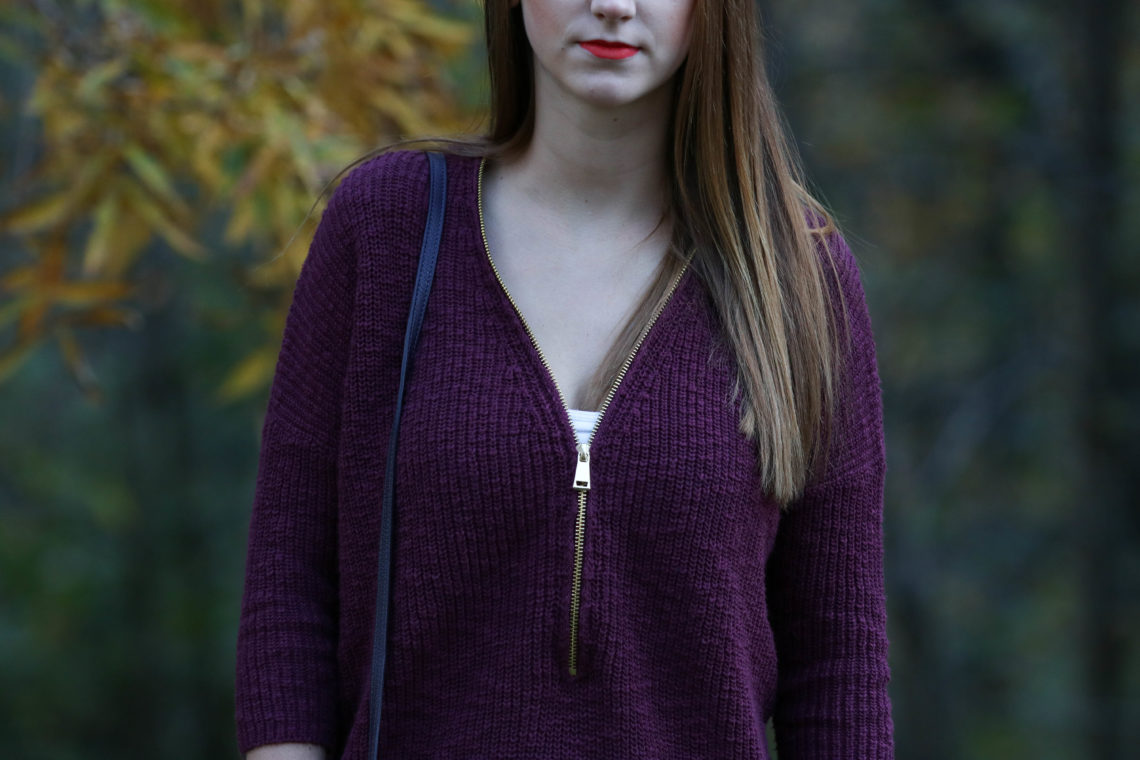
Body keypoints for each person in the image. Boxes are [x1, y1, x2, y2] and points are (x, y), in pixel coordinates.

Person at [235, 0, 894, 758]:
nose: (613, 5)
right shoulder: (386, 231)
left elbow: (837, 662)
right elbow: (290, 590)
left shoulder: (798, 279)